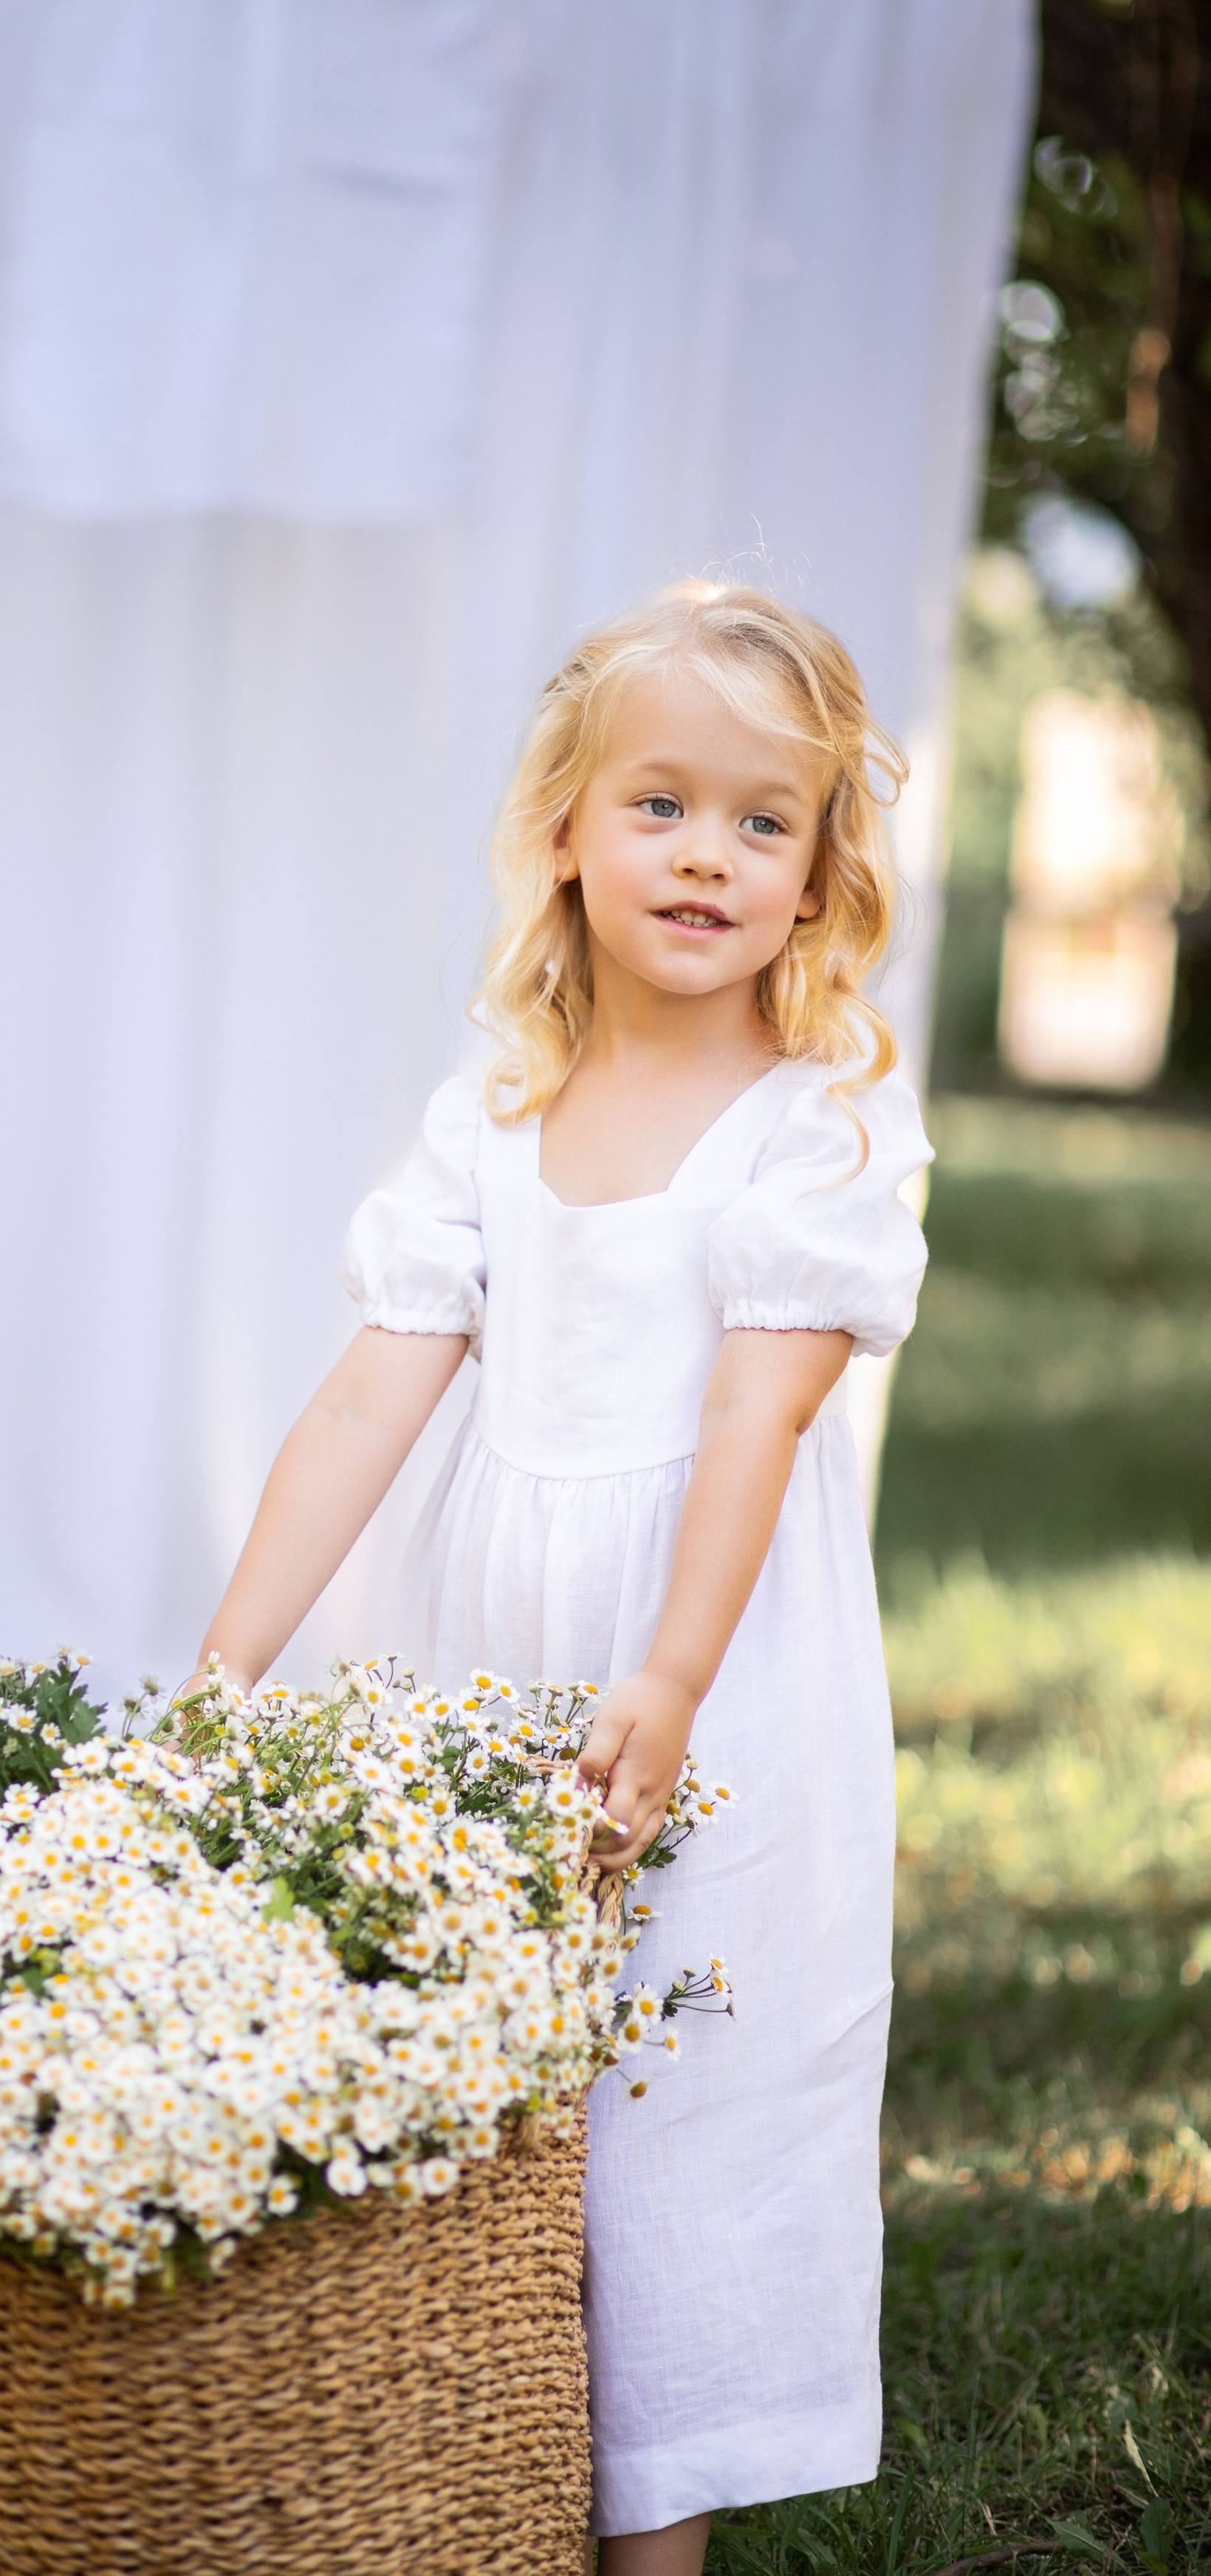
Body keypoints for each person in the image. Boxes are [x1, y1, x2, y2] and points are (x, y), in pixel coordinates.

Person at [196, 582, 931, 2574]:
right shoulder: (497, 1122)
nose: (707, 853)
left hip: (714, 1684)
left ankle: (654, 2534)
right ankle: (483, 2487)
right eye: (662, 803)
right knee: (510, 2116)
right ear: (565, 833)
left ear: (818, 875)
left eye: (762, 822)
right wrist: (227, 1663)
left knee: (679, 2122)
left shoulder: (818, 1132)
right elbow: (366, 1406)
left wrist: (672, 1683)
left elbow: (753, 1434)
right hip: (501, 1664)